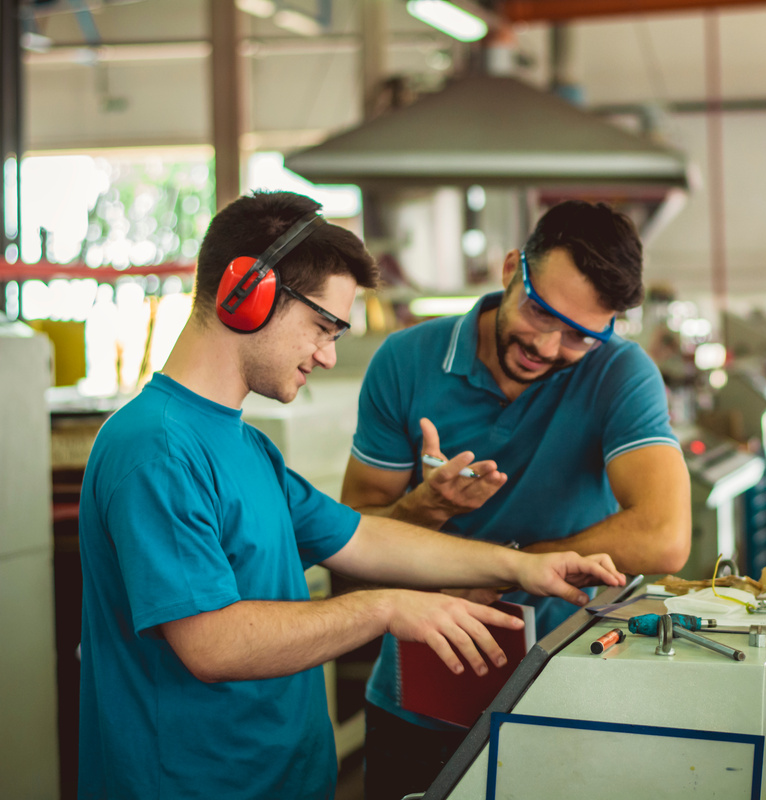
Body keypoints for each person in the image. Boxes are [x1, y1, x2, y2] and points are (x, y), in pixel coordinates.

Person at [76, 190, 625, 800]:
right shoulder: (156, 449)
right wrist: (387, 609)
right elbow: (213, 644)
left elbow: (363, 536)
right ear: (247, 291)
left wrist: (525, 565)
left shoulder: (248, 447)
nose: (329, 354)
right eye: (321, 325)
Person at [341, 200, 693, 798]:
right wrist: (423, 510)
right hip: (422, 693)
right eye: (539, 311)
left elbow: (664, 534)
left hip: (569, 687)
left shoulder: (618, 372)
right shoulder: (405, 363)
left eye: (581, 335)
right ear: (510, 269)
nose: (549, 347)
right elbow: (349, 537)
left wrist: (510, 570)